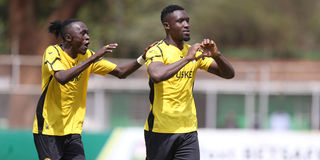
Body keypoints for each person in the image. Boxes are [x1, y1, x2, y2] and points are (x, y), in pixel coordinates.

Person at [32, 19, 152, 160]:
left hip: (72, 131)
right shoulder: (53, 52)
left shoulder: (87, 56)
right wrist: (94, 58)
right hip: (48, 130)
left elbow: (121, 72)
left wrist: (143, 58)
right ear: (68, 38)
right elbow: (62, 77)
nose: (87, 37)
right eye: (83, 34)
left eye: (88, 33)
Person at [143, 5, 235, 160]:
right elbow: (157, 75)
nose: (187, 25)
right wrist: (187, 59)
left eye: (187, 21)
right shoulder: (157, 50)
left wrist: (217, 55)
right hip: (160, 130)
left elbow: (229, 74)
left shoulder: (193, 51)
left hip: (188, 131)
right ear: (167, 26)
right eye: (180, 21)